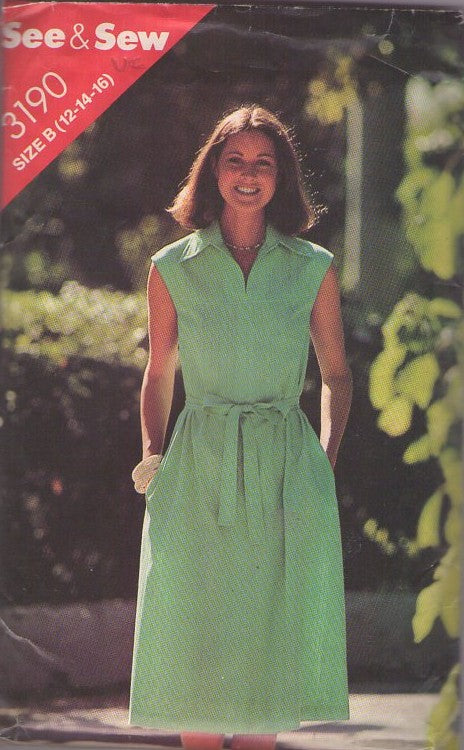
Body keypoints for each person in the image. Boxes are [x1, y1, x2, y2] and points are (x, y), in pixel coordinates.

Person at [129, 105, 352, 746]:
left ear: (282, 177)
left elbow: (337, 375)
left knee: (265, 658)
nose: (248, 175)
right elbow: (160, 370)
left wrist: (324, 460)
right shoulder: (173, 265)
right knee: (195, 651)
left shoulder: (312, 265)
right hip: (196, 465)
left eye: (263, 162)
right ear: (213, 172)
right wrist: (152, 458)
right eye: (235, 161)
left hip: (285, 466)